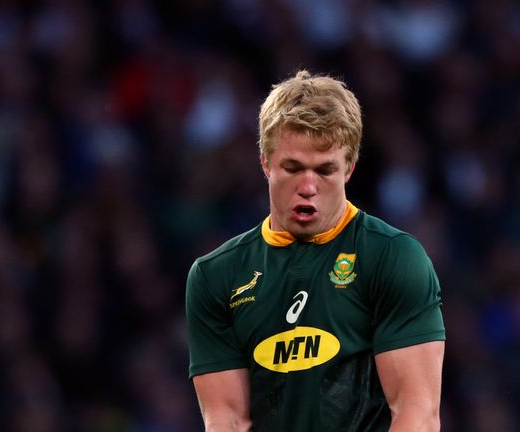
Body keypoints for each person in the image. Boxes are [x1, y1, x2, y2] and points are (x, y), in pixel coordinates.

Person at [186, 70, 445, 431]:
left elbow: (417, 414)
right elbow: (227, 420)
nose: (308, 186)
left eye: (325, 170)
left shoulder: (392, 258)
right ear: (265, 163)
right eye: (292, 168)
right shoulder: (216, 277)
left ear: (350, 169)